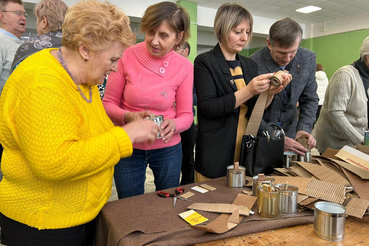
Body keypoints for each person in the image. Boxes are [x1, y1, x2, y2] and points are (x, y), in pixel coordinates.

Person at [0, 1, 160, 245]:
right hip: (45, 224)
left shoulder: (83, 77)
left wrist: (127, 121)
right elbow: (56, 162)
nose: (116, 68)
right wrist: (125, 136)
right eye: (113, 59)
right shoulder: (42, 84)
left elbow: (87, 129)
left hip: (78, 215)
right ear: (85, 50)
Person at [103, 1, 193, 199]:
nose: (154, 41)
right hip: (128, 144)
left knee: (167, 204)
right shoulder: (126, 55)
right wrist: (128, 117)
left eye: (164, 35)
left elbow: (187, 115)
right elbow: (107, 103)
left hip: (168, 147)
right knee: (130, 205)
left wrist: (174, 124)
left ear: (178, 38)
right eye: (150, 32)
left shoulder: (184, 67)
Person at [194, 3, 290, 180]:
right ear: (222, 30)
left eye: (247, 32)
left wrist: (269, 94)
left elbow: (256, 110)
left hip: (246, 147)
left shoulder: (249, 65)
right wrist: (249, 90)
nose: (244, 38)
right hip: (216, 150)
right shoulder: (205, 62)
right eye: (238, 32)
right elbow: (209, 107)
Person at [250, 17, 319, 156]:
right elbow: (249, 109)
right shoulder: (252, 63)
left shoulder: (308, 58)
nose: (287, 59)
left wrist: (304, 128)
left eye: (293, 52)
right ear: (269, 43)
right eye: (281, 53)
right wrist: (274, 136)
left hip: (292, 131)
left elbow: (310, 99)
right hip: (262, 136)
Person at [314, 36, 369, 154]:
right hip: (332, 144)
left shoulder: (366, 77)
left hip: (352, 144)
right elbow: (335, 113)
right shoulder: (345, 75)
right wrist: (361, 140)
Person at [11, 0, 68, 71]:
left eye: (37, 19)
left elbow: (16, 79)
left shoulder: (27, 49)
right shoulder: (76, 46)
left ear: (44, 22)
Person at [175, 41, 197, 185]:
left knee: (188, 157)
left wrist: (182, 99)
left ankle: (187, 185)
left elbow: (197, 97)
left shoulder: (194, 71)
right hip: (169, 121)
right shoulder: (170, 69)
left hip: (187, 122)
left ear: (186, 51)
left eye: (177, 49)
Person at [0, 0, 25, 93]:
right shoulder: (1, 42)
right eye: (18, 13)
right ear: (2, 16)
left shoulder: (22, 45)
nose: (23, 18)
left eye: (24, 14)